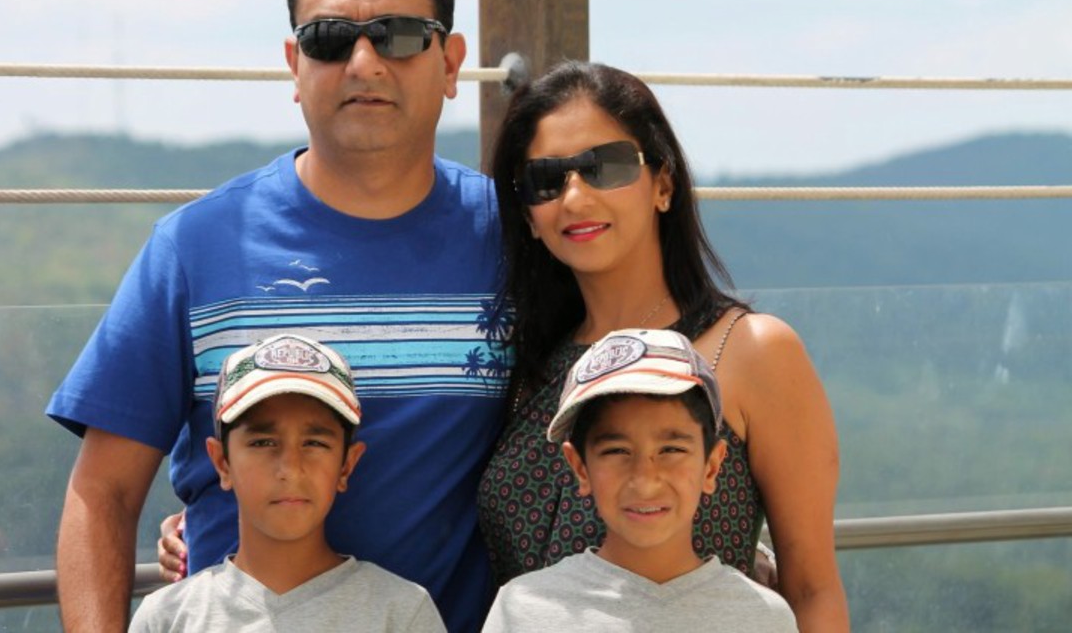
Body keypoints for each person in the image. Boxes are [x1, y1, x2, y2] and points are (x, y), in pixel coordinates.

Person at [47, 0, 507, 633]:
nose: (364, 62)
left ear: (449, 63)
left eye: (399, 36)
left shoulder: (513, 240)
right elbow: (103, 493)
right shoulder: (194, 246)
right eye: (329, 39)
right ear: (295, 65)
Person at [476, 61, 849, 631]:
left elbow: (812, 588)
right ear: (527, 214)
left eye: (605, 167)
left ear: (664, 185)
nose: (575, 197)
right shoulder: (527, 365)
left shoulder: (749, 350)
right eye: (546, 180)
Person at [483, 328, 798, 632]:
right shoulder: (525, 610)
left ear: (712, 467)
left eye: (671, 450)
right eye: (617, 451)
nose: (645, 481)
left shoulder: (761, 617)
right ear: (580, 468)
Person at [128, 333, 446, 632]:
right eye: (263, 443)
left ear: (346, 466)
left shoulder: (401, 612)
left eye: (315, 443)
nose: (291, 469)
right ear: (222, 463)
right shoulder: (167, 617)